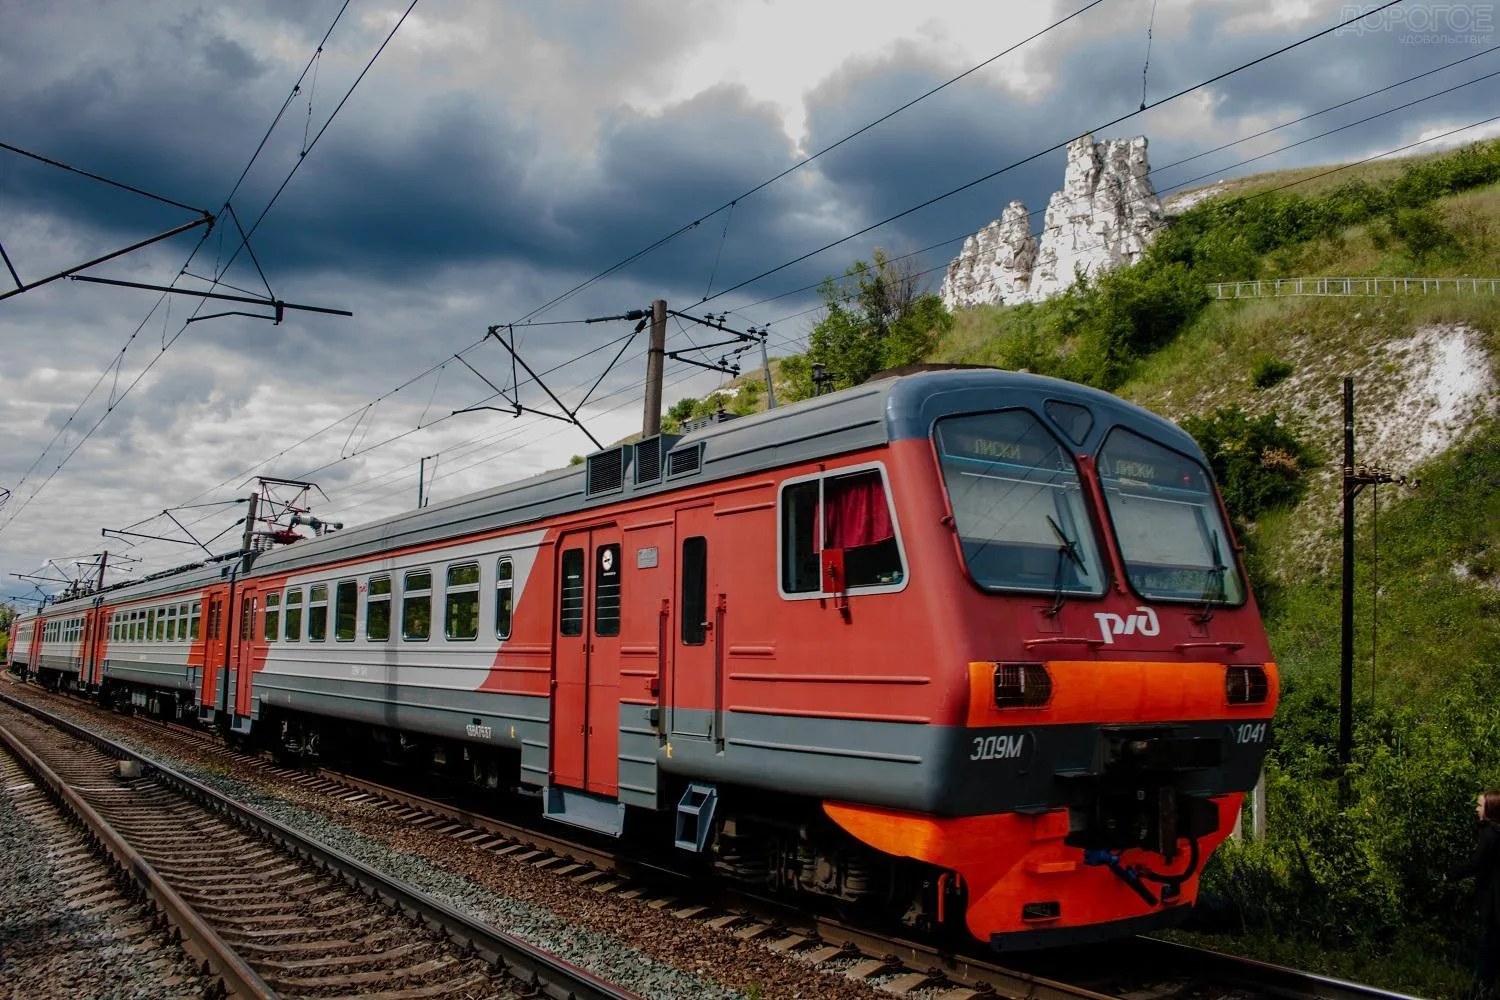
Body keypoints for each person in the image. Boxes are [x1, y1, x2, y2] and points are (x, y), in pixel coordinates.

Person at [1448, 790, 1500, 995]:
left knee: (1488, 949)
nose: (1477, 809)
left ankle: (1479, 992)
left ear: (1490, 809)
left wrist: (1450, 874)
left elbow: (1475, 863)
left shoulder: (1490, 834)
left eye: (1480, 805)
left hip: (1493, 901)